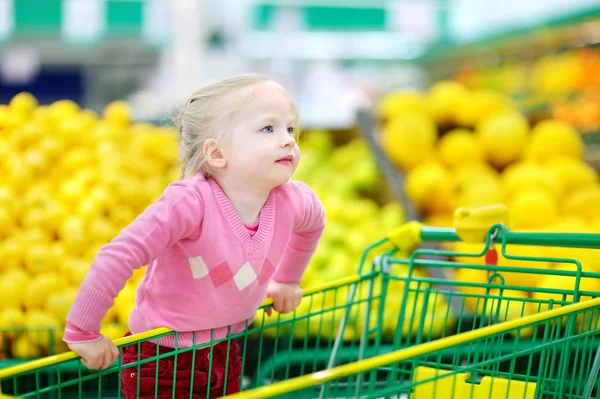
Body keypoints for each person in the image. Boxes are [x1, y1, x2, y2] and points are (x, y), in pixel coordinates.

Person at [62, 74, 326, 398]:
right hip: (160, 360)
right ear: (216, 153)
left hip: (225, 349)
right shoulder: (189, 204)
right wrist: (82, 330)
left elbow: (314, 224)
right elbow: (120, 254)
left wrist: (287, 280)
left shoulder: (294, 200)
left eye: (290, 129)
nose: (288, 140)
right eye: (268, 129)